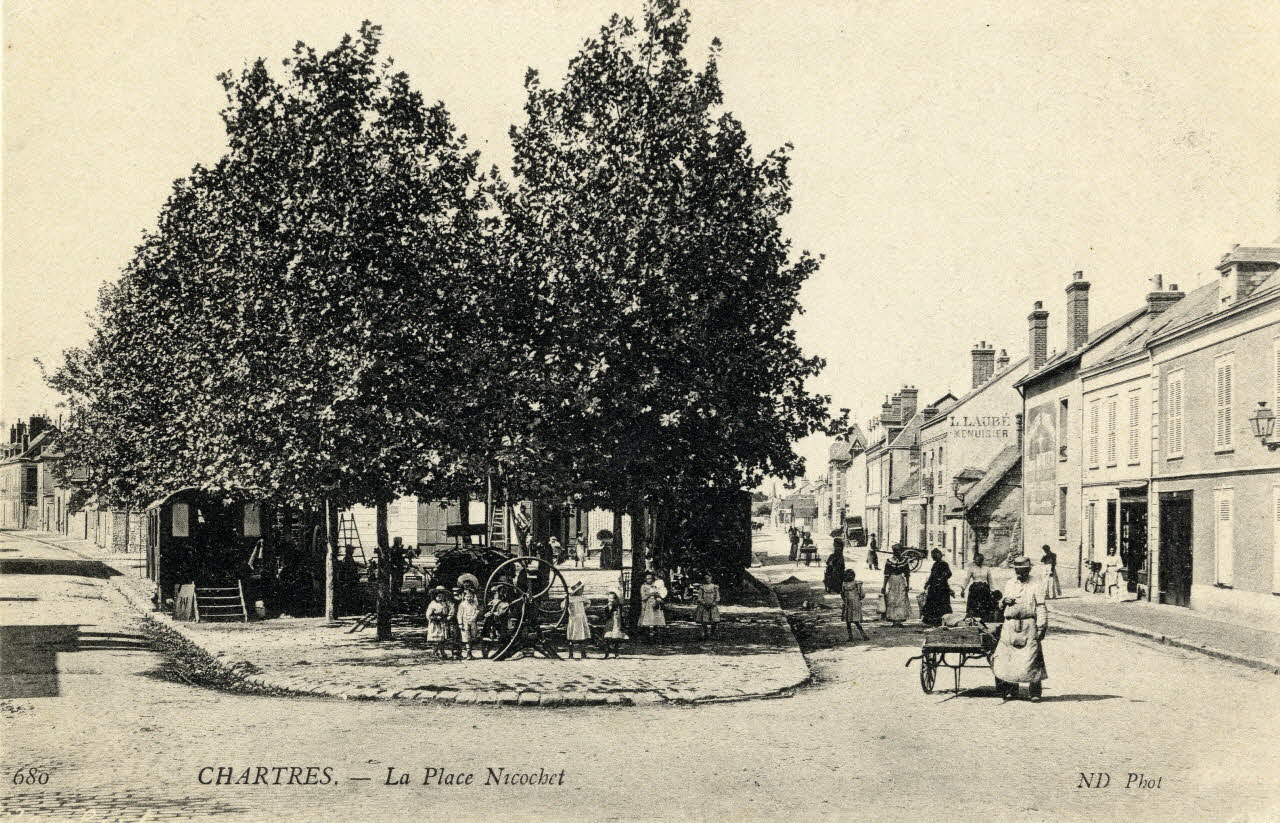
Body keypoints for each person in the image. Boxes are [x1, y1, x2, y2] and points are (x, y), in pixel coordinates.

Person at [991, 556, 1049, 701]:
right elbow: (1001, 604)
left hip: (1029, 624)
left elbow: (1041, 606)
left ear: (1028, 570)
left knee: (1032, 657)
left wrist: (1041, 626)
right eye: (1018, 570)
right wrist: (1004, 601)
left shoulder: (1036, 583)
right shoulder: (1010, 583)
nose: (1020, 573)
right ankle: (1011, 690)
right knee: (1009, 657)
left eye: (1023, 570)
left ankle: (1035, 692)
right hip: (1010, 624)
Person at [921, 549, 953, 627]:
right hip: (934, 586)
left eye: (935, 555)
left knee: (942, 603)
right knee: (933, 603)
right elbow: (932, 575)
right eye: (933, 555)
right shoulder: (935, 564)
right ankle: (933, 621)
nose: (934, 557)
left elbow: (949, 573)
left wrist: (942, 578)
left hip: (942, 586)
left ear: (940, 555)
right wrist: (927, 583)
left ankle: (942, 620)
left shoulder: (944, 564)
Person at [960, 553, 995, 622]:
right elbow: (967, 579)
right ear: (974, 560)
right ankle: (974, 620)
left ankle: (984, 620)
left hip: (984, 589)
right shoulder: (971, 569)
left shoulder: (987, 569)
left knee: (984, 606)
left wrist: (992, 590)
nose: (978, 562)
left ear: (982, 560)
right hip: (975, 589)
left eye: (980, 560)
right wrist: (963, 589)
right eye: (976, 560)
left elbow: (990, 580)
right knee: (974, 606)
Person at [882, 545, 911, 626]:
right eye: (896, 551)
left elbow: (907, 574)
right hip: (893, 581)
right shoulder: (889, 561)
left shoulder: (904, 561)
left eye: (899, 551)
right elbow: (886, 575)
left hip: (899, 581)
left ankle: (899, 620)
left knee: (900, 599)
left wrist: (908, 585)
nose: (898, 552)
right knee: (893, 599)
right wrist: (884, 586)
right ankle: (894, 620)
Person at [841, 569, 869, 641]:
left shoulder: (845, 583)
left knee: (850, 621)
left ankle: (853, 636)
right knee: (853, 621)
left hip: (849, 603)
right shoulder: (856, 584)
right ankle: (861, 636)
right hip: (853, 603)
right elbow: (862, 595)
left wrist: (845, 600)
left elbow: (842, 593)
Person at [565, 582, 590, 659]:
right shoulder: (570, 598)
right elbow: (563, 606)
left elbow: (588, 603)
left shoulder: (582, 597)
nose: (582, 590)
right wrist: (569, 608)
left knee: (580, 636)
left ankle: (582, 654)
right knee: (573, 636)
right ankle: (572, 654)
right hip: (574, 618)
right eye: (581, 589)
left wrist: (583, 609)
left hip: (579, 618)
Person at [638, 571, 666, 640]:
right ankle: (648, 638)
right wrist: (651, 594)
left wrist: (658, 596)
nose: (649, 580)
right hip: (648, 606)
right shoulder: (643, 586)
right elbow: (643, 598)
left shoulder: (655, 585)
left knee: (657, 622)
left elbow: (661, 593)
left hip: (656, 604)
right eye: (648, 578)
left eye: (651, 578)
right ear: (645, 579)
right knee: (649, 622)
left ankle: (657, 637)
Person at [425, 586, 451, 659]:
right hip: (435, 623)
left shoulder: (444, 603)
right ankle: (435, 652)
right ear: (435, 596)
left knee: (442, 639)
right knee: (436, 639)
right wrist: (435, 617)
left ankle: (442, 651)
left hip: (443, 622)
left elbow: (447, 611)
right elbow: (428, 615)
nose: (440, 598)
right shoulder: (433, 604)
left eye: (442, 596)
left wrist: (447, 617)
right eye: (438, 596)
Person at [455, 586, 481, 659]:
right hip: (465, 623)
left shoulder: (474, 604)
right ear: (464, 597)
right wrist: (460, 623)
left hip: (473, 623)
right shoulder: (462, 604)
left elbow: (477, 612)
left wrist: (476, 615)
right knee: (466, 638)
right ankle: (468, 653)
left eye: (471, 597)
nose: (469, 598)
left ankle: (470, 653)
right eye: (468, 596)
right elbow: (459, 615)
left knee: (473, 637)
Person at [694, 573, 721, 640]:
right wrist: (704, 603)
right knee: (703, 620)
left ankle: (712, 633)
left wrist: (714, 603)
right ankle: (705, 633)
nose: (707, 580)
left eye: (708, 578)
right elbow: (699, 597)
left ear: (711, 578)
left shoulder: (715, 587)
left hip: (712, 606)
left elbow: (718, 597)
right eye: (705, 578)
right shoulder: (702, 587)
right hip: (704, 606)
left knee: (714, 621)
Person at [601, 590, 628, 658]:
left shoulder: (619, 607)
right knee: (607, 638)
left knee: (616, 639)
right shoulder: (607, 607)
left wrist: (623, 623)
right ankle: (607, 653)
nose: (610, 600)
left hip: (617, 624)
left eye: (612, 598)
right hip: (610, 624)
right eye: (609, 598)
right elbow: (607, 616)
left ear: (615, 599)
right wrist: (609, 608)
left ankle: (616, 653)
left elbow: (621, 616)